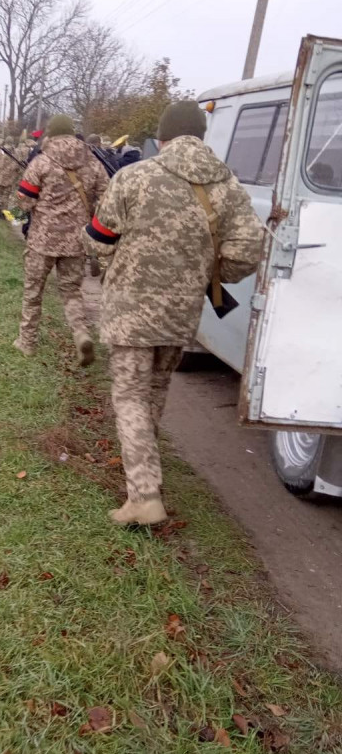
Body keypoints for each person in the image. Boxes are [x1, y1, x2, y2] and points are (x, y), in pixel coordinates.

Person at [84, 100, 263, 526]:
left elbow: (98, 238)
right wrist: (207, 271)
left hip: (130, 310)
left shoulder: (134, 176)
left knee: (129, 397)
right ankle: (144, 469)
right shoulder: (228, 186)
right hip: (182, 314)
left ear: (162, 138)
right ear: (202, 137)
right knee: (156, 392)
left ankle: (144, 496)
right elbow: (247, 253)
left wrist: (114, 265)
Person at [14, 114, 108, 364]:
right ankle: (81, 334)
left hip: (42, 241)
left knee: (33, 292)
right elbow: (106, 200)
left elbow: (24, 201)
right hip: (76, 242)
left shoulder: (41, 163)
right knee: (71, 291)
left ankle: (27, 342)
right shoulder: (93, 163)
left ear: (50, 135)